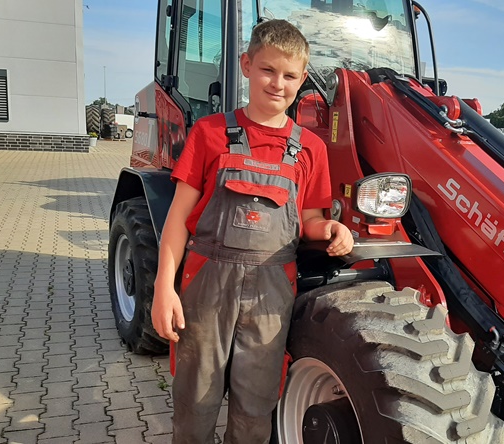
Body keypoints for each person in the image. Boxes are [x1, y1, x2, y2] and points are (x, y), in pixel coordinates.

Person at [151, 19, 354, 444]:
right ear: (246, 65)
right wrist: (163, 290)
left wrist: (333, 228)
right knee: (195, 402)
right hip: (206, 285)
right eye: (267, 70)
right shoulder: (210, 133)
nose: (277, 83)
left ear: (302, 79)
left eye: (289, 75)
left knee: (255, 408)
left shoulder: (310, 148)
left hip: (271, 291)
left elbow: (309, 221)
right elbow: (177, 219)